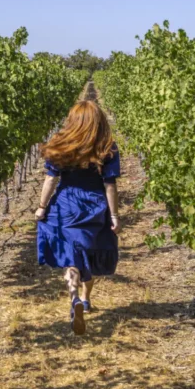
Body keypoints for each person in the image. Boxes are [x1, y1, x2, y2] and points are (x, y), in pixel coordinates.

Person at [35, 100, 121, 335]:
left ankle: (74, 297)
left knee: (72, 258)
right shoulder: (107, 148)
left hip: (66, 205)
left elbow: (50, 179)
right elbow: (109, 184)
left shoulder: (61, 144)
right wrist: (114, 215)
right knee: (89, 254)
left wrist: (42, 207)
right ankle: (85, 298)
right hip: (94, 205)